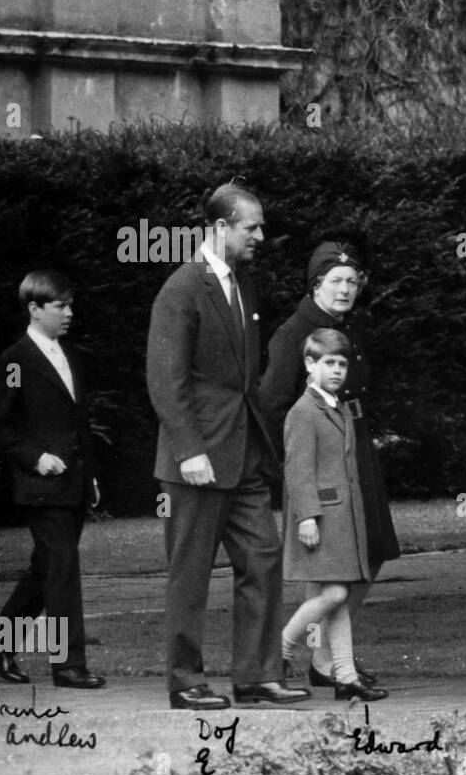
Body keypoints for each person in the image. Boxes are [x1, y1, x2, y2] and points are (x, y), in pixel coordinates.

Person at [147, 181, 309, 710]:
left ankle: (256, 676)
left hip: (245, 455)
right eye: (251, 227)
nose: (261, 236)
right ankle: (184, 680)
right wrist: (190, 451)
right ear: (220, 229)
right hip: (198, 458)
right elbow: (165, 380)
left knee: (262, 559)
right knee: (190, 572)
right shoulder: (181, 289)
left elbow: (245, 380)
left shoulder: (244, 285)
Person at [260, 237, 398, 689]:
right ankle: (325, 661)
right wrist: (303, 490)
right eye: (335, 281)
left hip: (355, 445)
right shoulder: (292, 333)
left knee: (370, 552)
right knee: (331, 567)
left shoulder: (347, 328)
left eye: (352, 281)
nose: (345, 289)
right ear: (316, 284)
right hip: (321, 459)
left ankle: (326, 658)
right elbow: (274, 406)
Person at [0, 270, 104, 688]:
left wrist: (91, 477)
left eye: (70, 305)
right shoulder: (15, 362)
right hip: (41, 487)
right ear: (34, 309)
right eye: (60, 306)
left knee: (47, 568)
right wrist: (35, 459)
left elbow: (78, 423)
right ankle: (68, 665)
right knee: (63, 570)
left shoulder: (69, 355)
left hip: (73, 484)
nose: (69, 313)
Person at [280, 329, 387, 701]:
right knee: (337, 593)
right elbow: (298, 469)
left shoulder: (338, 406)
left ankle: (345, 676)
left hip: (343, 518)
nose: (337, 370)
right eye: (329, 363)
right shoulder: (303, 411)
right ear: (310, 365)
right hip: (321, 519)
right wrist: (306, 516)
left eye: (342, 364)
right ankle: (280, 648)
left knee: (336, 597)